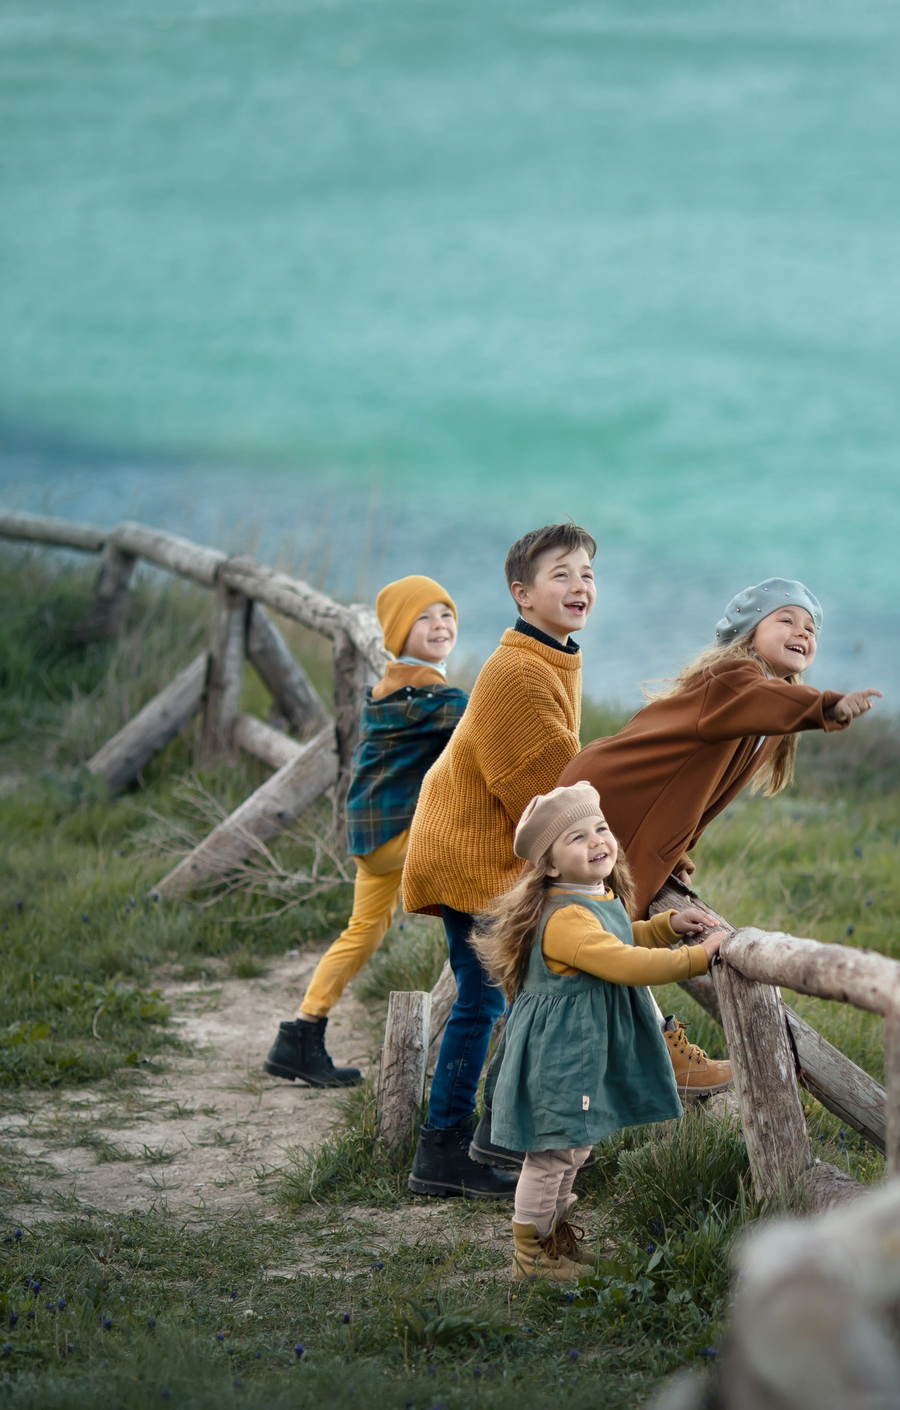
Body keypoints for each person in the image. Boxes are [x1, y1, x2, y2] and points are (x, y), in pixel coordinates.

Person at [557, 578, 880, 1087]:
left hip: (614, 804)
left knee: (591, 948)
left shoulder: (756, 705)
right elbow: (757, 708)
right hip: (611, 803)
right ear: (751, 634)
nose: (803, 632)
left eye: (812, 627)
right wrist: (827, 708)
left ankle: (626, 1059)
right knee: (596, 945)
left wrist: (678, 850)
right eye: (787, 620)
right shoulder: (735, 678)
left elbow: (697, 792)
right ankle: (657, 1051)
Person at [397, 524, 598, 1198]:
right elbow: (546, 798)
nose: (580, 586)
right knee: (483, 1002)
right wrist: (616, 857)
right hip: (470, 854)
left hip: (484, 848)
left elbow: (560, 775)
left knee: (503, 997)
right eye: (561, 575)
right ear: (522, 593)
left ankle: (488, 1135)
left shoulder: (551, 657)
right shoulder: (517, 672)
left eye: (588, 574)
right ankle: (445, 1149)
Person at [470, 783, 729, 1279]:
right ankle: (531, 1256)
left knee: (575, 1147)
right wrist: (695, 957)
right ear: (549, 865)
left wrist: (667, 926)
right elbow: (621, 961)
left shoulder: (590, 895)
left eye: (601, 829)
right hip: (559, 1057)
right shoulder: (564, 917)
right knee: (552, 1155)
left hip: (579, 1051)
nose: (597, 842)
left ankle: (554, 1241)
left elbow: (619, 935)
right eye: (576, 837)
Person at [263, 575, 463, 1089]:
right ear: (397, 633)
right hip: (396, 834)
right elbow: (487, 720)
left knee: (362, 932)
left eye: (446, 614)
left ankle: (300, 1035)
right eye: (424, 617)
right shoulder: (429, 694)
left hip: (370, 836)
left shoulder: (393, 681)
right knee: (489, 874)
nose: (440, 624)